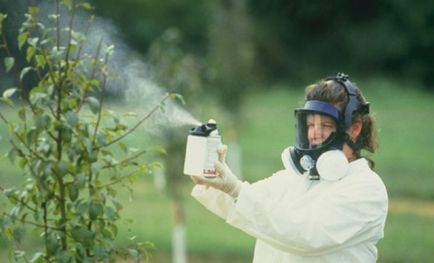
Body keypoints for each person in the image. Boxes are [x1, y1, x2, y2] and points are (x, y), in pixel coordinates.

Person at [190, 73, 388, 262]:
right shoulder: (294, 178)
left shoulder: (367, 189)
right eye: (310, 125)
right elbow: (243, 206)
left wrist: (236, 190)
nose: (314, 134)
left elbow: (306, 236)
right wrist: (212, 175)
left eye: (326, 125)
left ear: (354, 128)